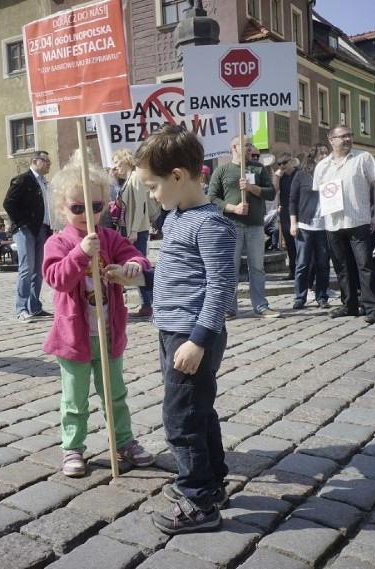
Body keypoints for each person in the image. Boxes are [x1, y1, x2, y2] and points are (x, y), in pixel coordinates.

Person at [134, 124, 236, 534]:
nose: (151, 194)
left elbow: (220, 288)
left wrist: (198, 340)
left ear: (178, 176)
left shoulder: (211, 225)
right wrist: (138, 278)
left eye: (153, 186)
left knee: (181, 418)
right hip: (172, 329)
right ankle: (212, 483)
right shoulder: (175, 217)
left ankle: (197, 501)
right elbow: (173, 273)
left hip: (193, 334)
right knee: (198, 410)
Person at [42, 150, 154, 479]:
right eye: (78, 208)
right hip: (74, 338)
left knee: (115, 395)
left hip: (109, 333)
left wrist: (134, 265)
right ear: (63, 209)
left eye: (95, 206)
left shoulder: (109, 237)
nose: (87, 214)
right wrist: (80, 253)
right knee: (75, 400)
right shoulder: (58, 242)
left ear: (105, 204)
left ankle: (124, 441)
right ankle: (73, 448)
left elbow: (135, 255)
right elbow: (57, 279)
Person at [314, 124, 375, 324]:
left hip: (358, 220)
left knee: (365, 265)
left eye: (349, 135)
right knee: (341, 268)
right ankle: (350, 305)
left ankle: (374, 308)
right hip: (333, 223)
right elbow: (320, 194)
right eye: (342, 137)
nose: (347, 139)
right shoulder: (322, 166)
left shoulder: (363, 158)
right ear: (332, 141)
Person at [208, 135, 280, 318]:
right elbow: (211, 199)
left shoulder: (258, 168)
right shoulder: (222, 171)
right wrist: (233, 208)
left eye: (251, 145)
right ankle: (229, 307)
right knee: (230, 268)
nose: (250, 148)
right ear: (234, 147)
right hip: (231, 227)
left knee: (257, 267)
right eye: (246, 145)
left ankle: (261, 306)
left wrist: (251, 188)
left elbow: (271, 193)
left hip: (255, 226)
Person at [4, 150, 53, 322]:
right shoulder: (23, 179)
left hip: (43, 228)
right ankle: (21, 308)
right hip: (26, 230)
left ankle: (35, 306)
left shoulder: (44, 182)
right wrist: (22, 223)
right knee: (26, 268)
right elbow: (8, 203)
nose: (49, 164)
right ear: (35, 161)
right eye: (46, 161)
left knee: (38, 270)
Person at [111, 148, 153, 318]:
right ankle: (147, 303)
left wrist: (134, 230)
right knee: (134, 267)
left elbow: (141, 207)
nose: (115, 166)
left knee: (138, 267)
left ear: (125, 160)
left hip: (135, 230)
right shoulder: (128, 180)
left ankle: (148, 304)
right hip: (127, 229)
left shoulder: (135, 177)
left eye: (116, 161)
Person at [289, 144, 331, 310]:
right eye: (321, 153)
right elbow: (292, 200)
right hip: (305, 225)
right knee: (302, 264)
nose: (324, 156)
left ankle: (322, 297)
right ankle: (300, 297)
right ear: (313, 156)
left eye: (327, 153)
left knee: (323, 264)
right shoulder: (301, 175)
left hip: (325, 226)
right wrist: (293, 223)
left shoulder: (330, 174)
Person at [273, 152, 299, 280]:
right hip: (285, 214)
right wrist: (277, 177)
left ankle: (304, 273)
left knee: (300, 244)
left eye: (284, 162)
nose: (282, 166)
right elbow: (275, 191)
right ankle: (292, 272)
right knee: (289, 244)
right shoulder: (281, 176)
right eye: (279, 164)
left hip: (299, 213)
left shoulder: (299, 174)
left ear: (291, 162)